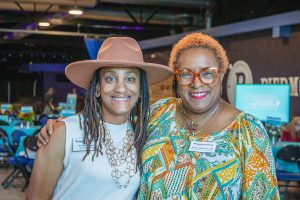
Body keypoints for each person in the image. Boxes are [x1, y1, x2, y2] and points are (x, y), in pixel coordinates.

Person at [37, 33, 280, 199]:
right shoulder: (158, 114)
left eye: (207, 73)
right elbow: (111, 121)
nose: (197, 83)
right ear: (177, 77)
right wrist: (59, 128)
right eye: (186, 74)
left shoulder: (248, 132)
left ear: (222, 75)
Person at [26, 37, 173, 200]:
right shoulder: (64, 133)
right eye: (110, 78)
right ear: (97, 87)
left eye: (130, 79)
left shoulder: (143, 137)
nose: (121, 88)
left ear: (140, 90)